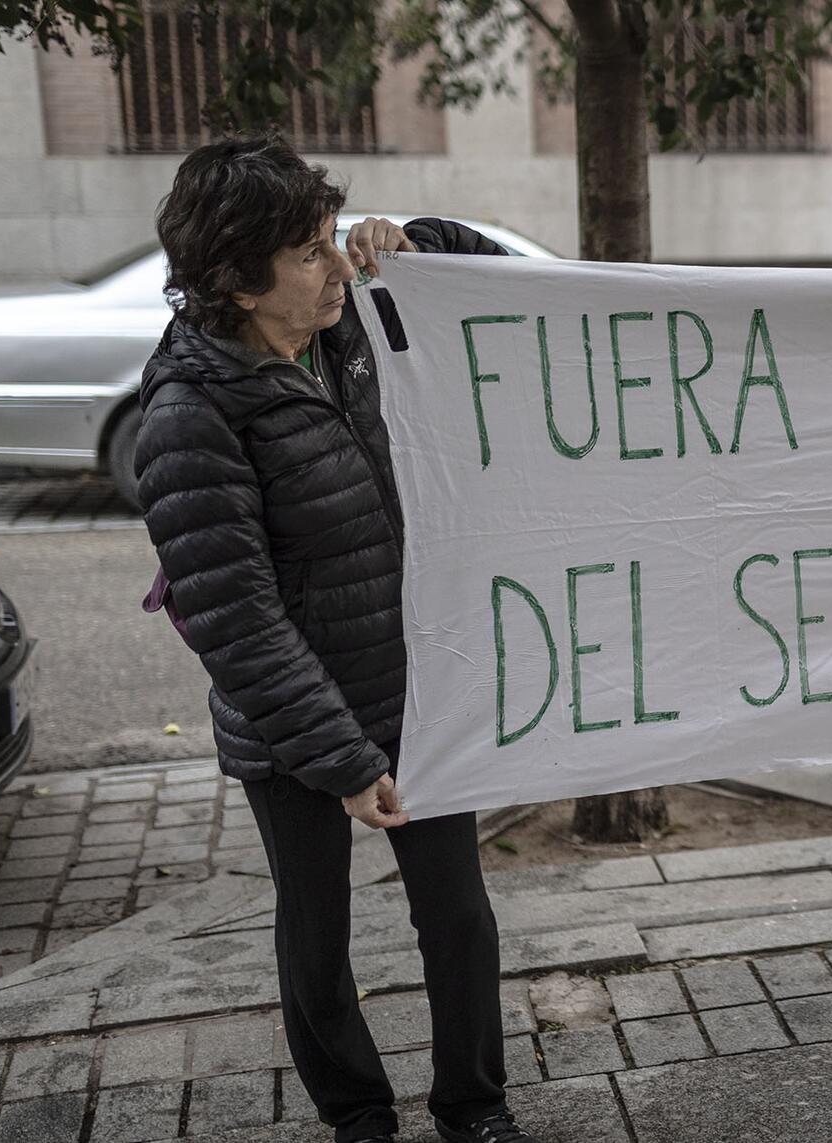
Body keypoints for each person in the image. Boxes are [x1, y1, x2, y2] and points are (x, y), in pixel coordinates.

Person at [136, 136, 535, 1143]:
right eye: (307, 252)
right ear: (233, 277)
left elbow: (510, 291)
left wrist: (422, 240)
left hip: (414, 685)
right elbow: (234, 618)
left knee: (457, 915)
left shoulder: (349, 317)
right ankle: (358, 1113)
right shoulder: (191, 414)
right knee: (315, 928)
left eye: (328, 242)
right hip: (292, 721)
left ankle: (474, 1106)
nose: (331, 268)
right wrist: (342, 762)